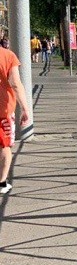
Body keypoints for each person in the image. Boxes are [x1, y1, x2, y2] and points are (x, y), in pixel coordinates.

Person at [0, 44, 31, 195]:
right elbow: (15, 84)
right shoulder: (8, 56)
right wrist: (25, 108)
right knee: (4, 146)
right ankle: (1, 183)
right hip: (3, 109)